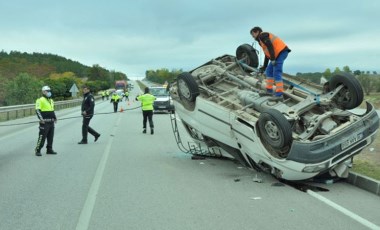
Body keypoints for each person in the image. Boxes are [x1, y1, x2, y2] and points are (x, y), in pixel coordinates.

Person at [250, 26, 291, 100]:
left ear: (257, 32)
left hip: (281, 52)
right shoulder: (260, 41)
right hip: (276, 55)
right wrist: (264, 66)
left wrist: (272, 59)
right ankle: (269, 91)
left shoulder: (263, 35)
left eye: (253, 34)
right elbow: (267, 54)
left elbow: (270, 46)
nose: (253, 37)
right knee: (268, 71)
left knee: (276, 72)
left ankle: (279, 95)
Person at [35, 86, 57, 156]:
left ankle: (49, 149)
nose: (49, 92)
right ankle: (38, 150)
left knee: (50, 137)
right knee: (42, 137)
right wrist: (41, 119)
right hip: (44, 122)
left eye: (49, 91)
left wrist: (55, 117)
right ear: (43, 92)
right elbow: (37, 110)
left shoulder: (51, 100)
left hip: (51, 122)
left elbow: (52, 110)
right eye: (47, 91)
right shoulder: (40, 100)